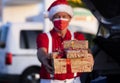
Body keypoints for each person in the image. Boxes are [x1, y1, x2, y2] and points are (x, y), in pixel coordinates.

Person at [36, 0, 86, 83]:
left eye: (64, 16)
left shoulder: (77, 37)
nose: (61, 19)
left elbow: (83, 53)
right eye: (57, 16)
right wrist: (44, 58)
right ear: (51, 19)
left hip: (74, 81)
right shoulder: (44, 37)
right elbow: (41, 51)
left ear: (70, 18)